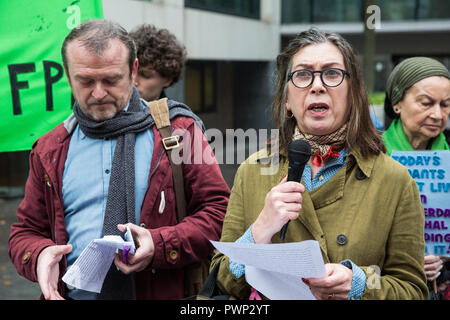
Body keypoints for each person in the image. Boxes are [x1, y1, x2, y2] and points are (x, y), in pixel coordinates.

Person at [8, 19, 230, 300]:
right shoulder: (49, 149)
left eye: (111, 79)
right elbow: (24, 232)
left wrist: (158, 245)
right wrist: (39, 255)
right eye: (85, 81)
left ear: (133, 70)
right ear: (67, 75)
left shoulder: (180, 130)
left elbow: (220, 213)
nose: (98, 93)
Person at [210, 28, 428, 300]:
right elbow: (221, 280)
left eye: (332, 73)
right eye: (302, 74)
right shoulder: (252, 171)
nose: (317, 85)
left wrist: (359, 283)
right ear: (287, 99)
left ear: (353, 94)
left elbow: (413, 290)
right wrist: (259, 230)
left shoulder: (395, 180)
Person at [382, 57, 450, 299]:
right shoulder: (370, 156)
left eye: (445, 104)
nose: (437, 114)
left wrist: (441, 255)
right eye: (426, 103)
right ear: (398, 103)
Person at [130, 24, 186, 102]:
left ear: (167, 80)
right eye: (130, 72)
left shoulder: (176, 114)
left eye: (145, 75)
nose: (133, 81)